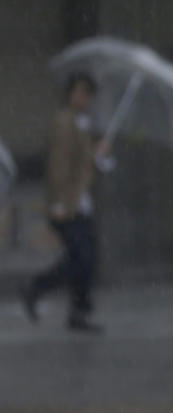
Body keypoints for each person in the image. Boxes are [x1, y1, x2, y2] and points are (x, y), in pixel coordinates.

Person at [20, 71, 109, 332]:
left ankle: (77, 311)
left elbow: (83, 164)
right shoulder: (64, 121)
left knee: (86, 259)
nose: (84, 98)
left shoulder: (82, 122)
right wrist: (58, 203)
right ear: (71, 93)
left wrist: (98, 155)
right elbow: (58, 164)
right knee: (82, 259)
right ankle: (37, 288)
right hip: (68, 205)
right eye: (80, 92)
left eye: (88, 93)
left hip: (80, 204)